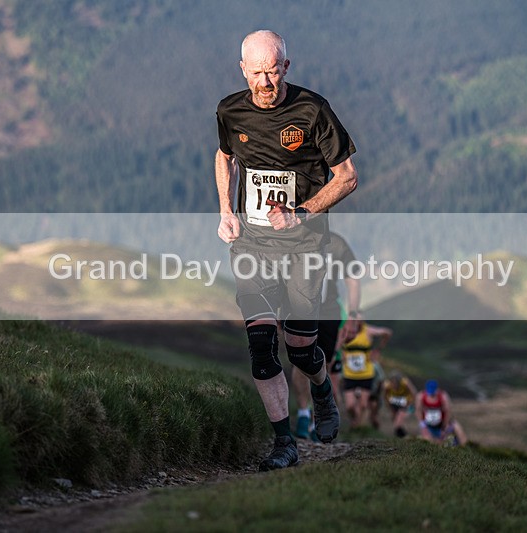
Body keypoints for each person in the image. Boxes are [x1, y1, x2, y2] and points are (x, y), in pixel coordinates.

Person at [215, 30, 358, 471]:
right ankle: (284, 443)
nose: (265, 81)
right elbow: (225, 157)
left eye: (273, 71)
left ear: (286, 68)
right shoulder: (230, 110)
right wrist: (225, 209)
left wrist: (302, 211)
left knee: (299, 347)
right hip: (253, 244)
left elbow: (347, 176)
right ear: (243, 70)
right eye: (257, 72)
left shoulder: (312, 110)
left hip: (305, 245)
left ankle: (320, 388)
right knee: (261, 344)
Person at [291, 232, 361, 439]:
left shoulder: (336, 242)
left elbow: (352, 277)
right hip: (298, 305)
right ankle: (304, 413)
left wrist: (353, 314)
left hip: (328, 310)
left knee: (325, 364)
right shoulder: (293, 237)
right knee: (299, 358)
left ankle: (317, 418)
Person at [341, 318, 392, 429]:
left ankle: (357, 427)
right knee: (350, 406)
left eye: (359, 320)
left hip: (366, 374)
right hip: (349, 374)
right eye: (354, 320)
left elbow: (387, 332)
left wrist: (378, 349)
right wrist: (341, 353)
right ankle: (355, 420)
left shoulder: (368, 330)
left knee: (363, 404)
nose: (357, 323)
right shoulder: (345, 329)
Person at [414, 379, 468, 446]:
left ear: (437, 389)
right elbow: (418, 410)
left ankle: (464, 447)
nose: (431, 394)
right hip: (428, 424)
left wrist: (444, 426)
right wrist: (423, 425)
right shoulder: (421, 396)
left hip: (441, 423)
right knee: (431, 443)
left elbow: (448, 411)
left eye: (433, 392)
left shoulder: (443, 396)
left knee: (457, 428)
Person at [382, 370, 418, 437]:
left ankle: (399, 432)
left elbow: (414, 392)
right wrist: (388, 404)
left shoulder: (405, 383)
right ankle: (402, 433)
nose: (393, 385)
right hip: (393, 402)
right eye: (392, 383)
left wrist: (411, 403)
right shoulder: (387, 385)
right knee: (394, 418)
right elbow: (385, 395)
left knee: (400, 417)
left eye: (395, 383)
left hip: (405, 402)